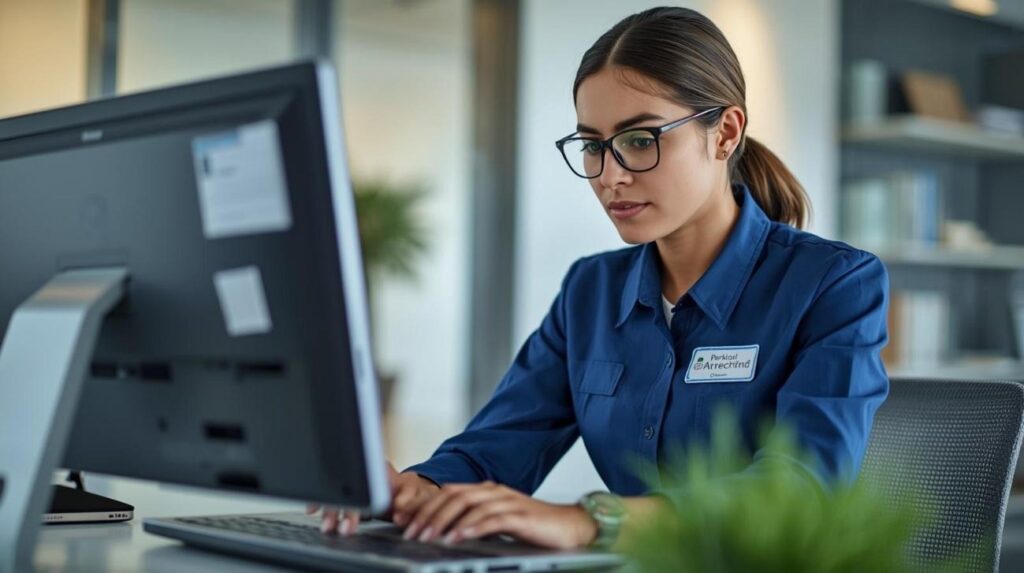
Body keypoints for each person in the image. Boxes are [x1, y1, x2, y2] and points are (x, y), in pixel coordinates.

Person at [312, 5, 889, 550]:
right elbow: (495, 450)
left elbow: (799, 492)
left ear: (726, 132)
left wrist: (591, 521)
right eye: (593, 146)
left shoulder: (835, 284)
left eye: (640, 141)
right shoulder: (589, 292)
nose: (610, 176)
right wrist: (420, 491)